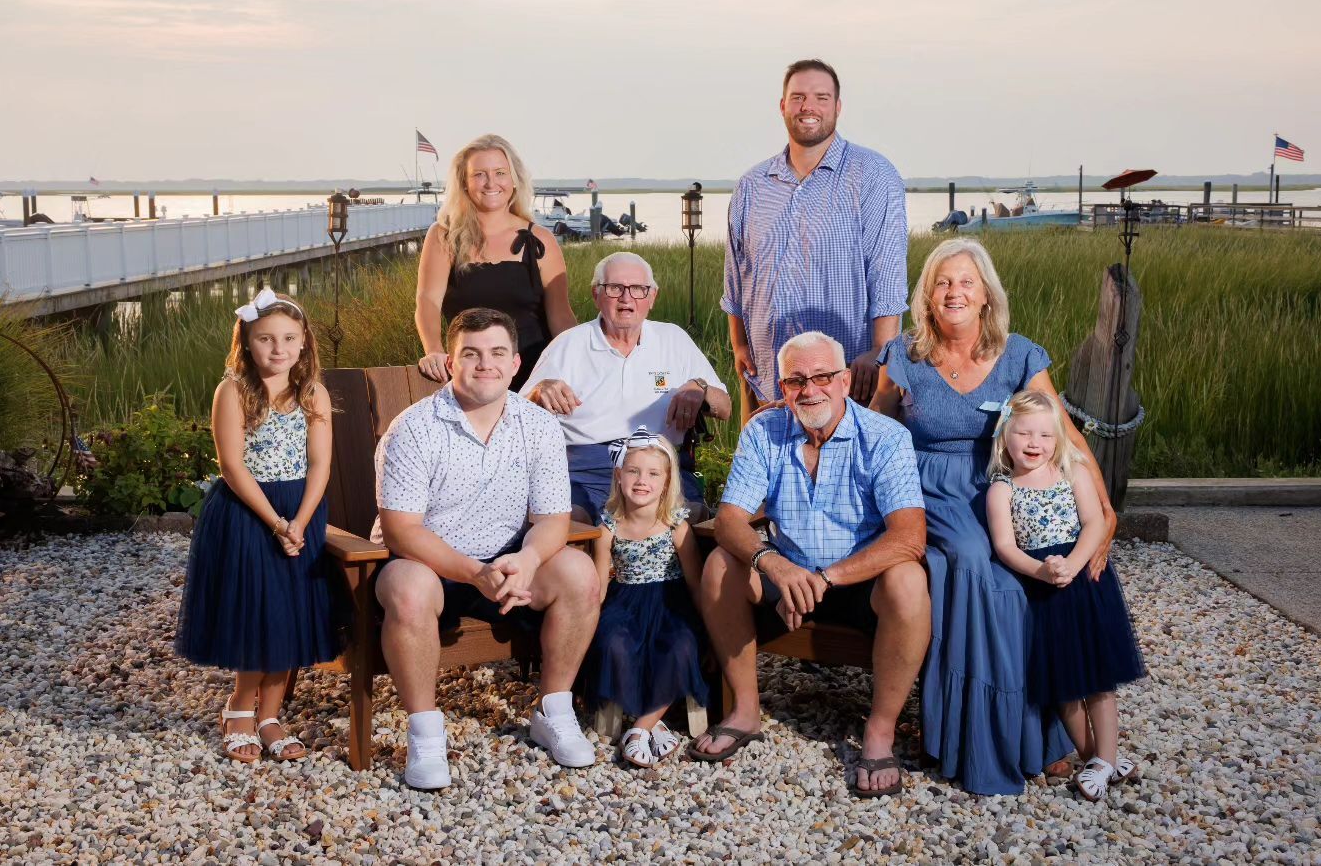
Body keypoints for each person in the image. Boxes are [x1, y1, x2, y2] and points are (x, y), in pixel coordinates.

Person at [870, 236, 1120, 795]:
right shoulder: (904, 356)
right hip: (925, 486)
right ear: (928, 295)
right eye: (942, 281)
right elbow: (874, 431)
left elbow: (1065, 435)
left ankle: (1032, 734)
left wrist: (1103, 508)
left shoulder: (1020, 354)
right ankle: (974, 738)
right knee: (974, 561)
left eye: (966, 282)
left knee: (1021, 578)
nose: (953, 291)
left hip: (996, 486)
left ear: (987, 294)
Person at [689, 332, 931, 800]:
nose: (810, 389)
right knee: (722, 564)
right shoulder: (764, 431)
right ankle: (745, 710)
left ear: (844, 381)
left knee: (908, 579)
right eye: (797, 380)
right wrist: (773, 564)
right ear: (783, 387)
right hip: (789, 574)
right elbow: (730, 521)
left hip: (860, 581)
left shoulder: (884, 437)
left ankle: (879, 732)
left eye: (822, 376)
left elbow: (909, 537)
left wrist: (826, 578)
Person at [374, 307, 601, 790]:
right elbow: (400, 531)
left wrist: (528, 559)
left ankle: (553, 711)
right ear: (450, 362)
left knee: (580, 573)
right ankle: (425, 733)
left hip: (505, 565)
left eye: (497, 353)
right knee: (409, 589)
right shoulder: (414, 428)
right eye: (470, 354)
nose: (485, 364)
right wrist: (473, 571)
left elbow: (553, 519)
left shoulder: (537, 425)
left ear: (516, 363)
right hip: (429, 565)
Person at [176, 287, 348, 764]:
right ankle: (239, 709)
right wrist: (276, 523)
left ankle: (270, 715)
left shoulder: (312, 393)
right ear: (246, 343)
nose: (279, 349)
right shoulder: (233, 391)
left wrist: (301, 522)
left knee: (290, 614)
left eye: (289, 338)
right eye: (266, 339)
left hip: (300, 511)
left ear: (304, 343)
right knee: (256, 611)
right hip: (248, 512)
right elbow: (232, 466)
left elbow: (320, 466)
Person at [723, 58, 908, 418]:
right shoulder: (751, 186)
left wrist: (879, 351)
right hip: (771, 378)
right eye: (798, 97)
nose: (808, 107)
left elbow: (886, 273)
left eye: (821, 97)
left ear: (838, 107)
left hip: (846, 380)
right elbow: (736, 274)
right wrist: (739, 344)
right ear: (782, 106)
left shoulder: (873, 175)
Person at [985, 390, 1146, 801]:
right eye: (1024, 433)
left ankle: (1105, 757)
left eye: (1044, 435)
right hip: (1043, 589)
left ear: (1058, 440)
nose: (1034, 443)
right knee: (1064, 683)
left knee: (1099, 677)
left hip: (1086, 581)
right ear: (1005, 437)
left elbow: (1094, 523)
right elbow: (1005, 546)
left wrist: (1073, 564)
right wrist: (1042, 571)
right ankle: (1096, 757)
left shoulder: (1071, 470)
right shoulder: (1001, 489)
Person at [521, 251, 731, 521]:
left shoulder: (673, 339)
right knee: (564, 523)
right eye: (614, 288)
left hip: (660, 469)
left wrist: (699, 388)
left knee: (690, 520)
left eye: (638, 289)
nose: (626, 297)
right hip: (586, 470)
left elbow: (724, 407)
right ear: (596, 294)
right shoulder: (568, 344)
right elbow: (517, 413)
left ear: (652, 297)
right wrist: (540, 391)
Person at [583, 427, 708, 768]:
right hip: (625, 603)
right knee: (615, 643)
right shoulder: (608, 525)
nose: (642, 480)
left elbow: (696, 581)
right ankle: (654, 721)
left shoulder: (675, 523)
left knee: (680, 645)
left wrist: (704, 620)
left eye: (653, 474)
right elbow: (599, 582)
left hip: (671, 601)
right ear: (619, 476)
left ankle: (638, 728)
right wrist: (590, 620)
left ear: (667, 482)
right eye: (634, 471)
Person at [415, 134, 575, 391]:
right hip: (471, 376)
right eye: (479, 174)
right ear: (464, 183)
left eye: (500, 172)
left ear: (514, 180)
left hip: (535, 379)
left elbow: (561, 317)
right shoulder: (443, 236)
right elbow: (428, 301)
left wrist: (575, 369)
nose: (490, 183)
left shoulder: (541, 240)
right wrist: (433, 351)